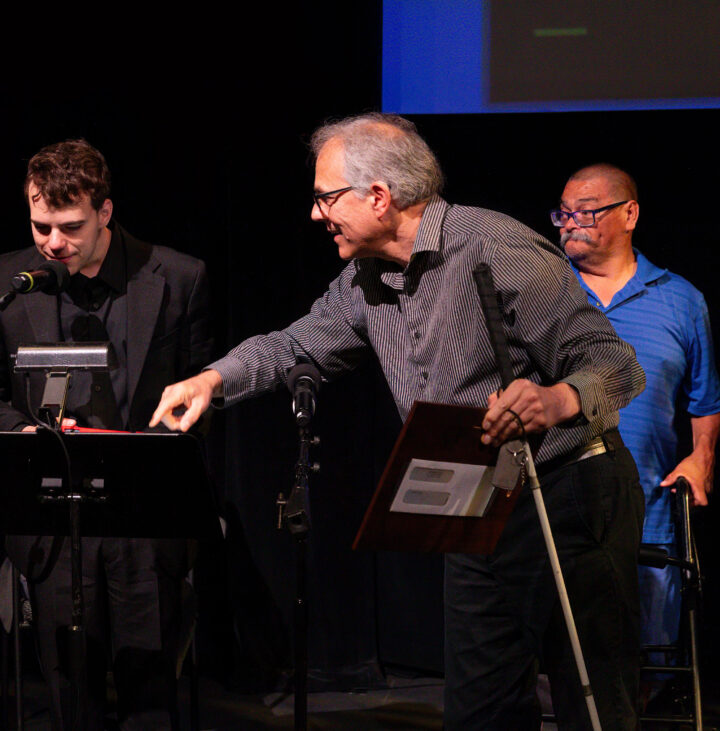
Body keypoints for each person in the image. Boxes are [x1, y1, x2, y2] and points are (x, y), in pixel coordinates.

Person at [151, 113, 647, 730]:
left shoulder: (495, 247)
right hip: (479, 499)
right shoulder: (364, 280)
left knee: (593, 705)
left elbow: (615, 364)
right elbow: (296, 345)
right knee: (480, 712)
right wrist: (211, 380)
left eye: (325, 197)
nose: (315, 214)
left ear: (379, 197)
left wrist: (556, 400)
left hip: (567, 493)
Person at [0, 138, 212, 730]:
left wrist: (172, 435)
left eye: (70, 227)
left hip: (143, 518)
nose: (53, 243)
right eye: (40, 226)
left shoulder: (178, 277)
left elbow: (204, 394)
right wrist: (24, 431)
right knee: (69, 701)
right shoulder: (3, 278)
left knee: (149, 699)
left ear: (105, 211)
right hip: (52, 519)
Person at [556, 164, 720, 698]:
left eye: (586, 212)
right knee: (567, 663)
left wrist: (701, 458)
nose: (570, 223)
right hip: (563, 511)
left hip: (651, 512)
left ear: (629, 214)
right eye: (564, 213)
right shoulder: (545, 293)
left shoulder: (682, 300)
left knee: (648, 660)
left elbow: (704, 401)